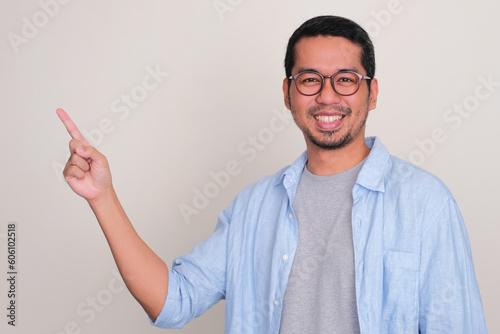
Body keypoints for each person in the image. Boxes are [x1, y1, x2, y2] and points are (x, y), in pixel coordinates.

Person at [57, 15, 487, 334]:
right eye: (309, 79)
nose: (327, 96)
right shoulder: (253, 206)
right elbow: (173, 302)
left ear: (371, 93)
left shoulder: (426, 204)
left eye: (346, 80)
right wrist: (102, 198)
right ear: (287, 93)